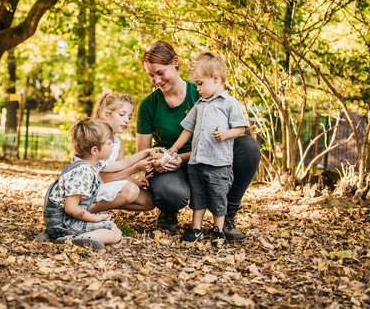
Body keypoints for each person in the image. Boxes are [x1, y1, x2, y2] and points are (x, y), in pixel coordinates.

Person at [136, 40, 261, 240]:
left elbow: (231, 130)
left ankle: (227, 213)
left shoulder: (202, 91)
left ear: (175, 63)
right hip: (172, 168)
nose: (156, 80)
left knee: (248, 147)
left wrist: (182, 157)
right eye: (151, 75)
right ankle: (170, 209)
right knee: (170, 193)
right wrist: (158, 161)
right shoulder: (148, 105)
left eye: (160, 72)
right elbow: (142, 153)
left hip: (209, 160)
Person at [168, 51, 248, 246]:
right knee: (198, 196)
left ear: (215, 78)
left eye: (200, 84)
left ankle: (218, 230)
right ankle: (196, 229)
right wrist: (175, 148)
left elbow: (241, 127)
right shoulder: (200, 104)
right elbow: (188, 128)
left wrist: (226, 134)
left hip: (219, 163)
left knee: (218, 197)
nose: (197, 88)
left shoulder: (230, 103)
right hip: (197, 162)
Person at [37, 118, 153, 249]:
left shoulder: (92, 163)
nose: (112, 146)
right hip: (64, 222)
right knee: (116, 234)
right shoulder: (83, 172)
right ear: (94, 150)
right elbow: (71, 208)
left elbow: (123, 164)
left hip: (63, 221)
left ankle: (63, 235)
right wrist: (94, 218)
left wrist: (146, 152)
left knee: (111, 225)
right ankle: (68, 239)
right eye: (109, 143)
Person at [89, 93, 155, 213]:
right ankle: (88, 211)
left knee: (148, 201)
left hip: (107, 185)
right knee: (131, 191)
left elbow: (119, 171)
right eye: (122, 114)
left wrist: (137, 182)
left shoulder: (119, 142)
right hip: (91, 187)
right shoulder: (98, 139)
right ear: (106, 115)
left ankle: (104, 205)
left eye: (129, 117)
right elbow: (106, 177)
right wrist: (137, 168)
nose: (127, 121)